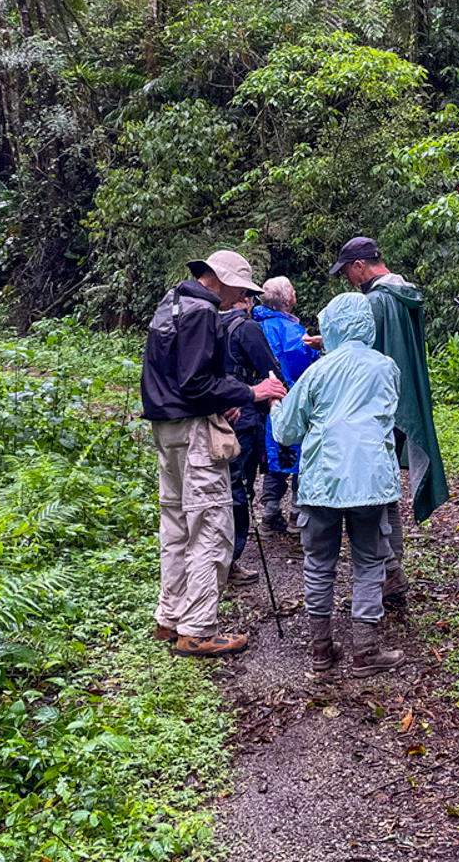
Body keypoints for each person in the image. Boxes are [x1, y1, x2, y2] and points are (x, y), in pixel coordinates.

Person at [141, 250, 287, 658]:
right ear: (221, 279)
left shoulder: (171, 303)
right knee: (210, 527)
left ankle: (169, 619)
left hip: (166, 428)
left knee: (176, 525)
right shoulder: (202, 311)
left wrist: (223, 394)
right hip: (192, 430)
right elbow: (195, 383)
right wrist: (249, 392)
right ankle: (198, 629)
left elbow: (177, 376)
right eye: (241, 288)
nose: (242, 297)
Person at [271, 292, 407, 676]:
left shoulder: (318, 371)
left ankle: (321, 649)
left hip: (321, 481)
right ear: (367, 326)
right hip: (370, 482)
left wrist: (275, 406)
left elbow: (286, 432)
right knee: (368, 562)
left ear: (330, 326)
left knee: (319, 564)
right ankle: (365, 650)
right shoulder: (386, 368)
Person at [330, 236, 450, 607]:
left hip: (377, 409)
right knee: (384, 491)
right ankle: (391, 573)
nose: (349, 280)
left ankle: (389, 573)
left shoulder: (377, 301)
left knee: (371, 494)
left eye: (349, 271)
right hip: (399, 401)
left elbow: (362, 354)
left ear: (360, 266)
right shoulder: (405, 294)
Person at [220, 294, 284, 583]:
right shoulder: (246, 327)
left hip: (211, 411)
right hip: (242, 415)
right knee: (240, 490)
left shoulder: (206, 323)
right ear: (245, 298)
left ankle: (217, 559)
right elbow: (270, 369)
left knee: (216, 487)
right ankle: (230, 561)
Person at [255, 276, 321, 534]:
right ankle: (297, 513)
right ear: (286, 299)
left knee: (273, 457)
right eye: (292, 288)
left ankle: (270, 513)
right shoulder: (291, 332)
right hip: (289, 398)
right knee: (298, 454)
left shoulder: (255, 324)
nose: (296, 291)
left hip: (260, 400)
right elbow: (303, 365)